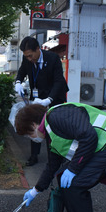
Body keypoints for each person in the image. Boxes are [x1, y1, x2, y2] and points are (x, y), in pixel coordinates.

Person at [15, 36, 69, 166]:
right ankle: (34, 156)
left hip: (54, 96)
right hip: (37, 95)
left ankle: (56, 156)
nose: (29, 58)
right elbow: (22, 71)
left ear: (38, 49)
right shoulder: (26, 58)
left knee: (54, 126)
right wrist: (18, 82)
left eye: (30, 55)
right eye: (26, 56)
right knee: (34, 124)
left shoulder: (53, 58)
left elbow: (58, 82)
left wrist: (49, 100)